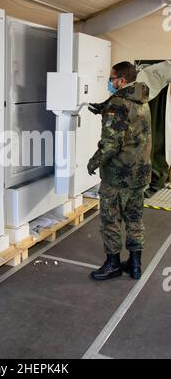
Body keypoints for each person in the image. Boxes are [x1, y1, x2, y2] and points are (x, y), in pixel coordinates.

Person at [87, 61, 152, 281]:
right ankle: (135, 265)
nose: (110, 82)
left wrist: (93, 162)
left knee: (111, 220)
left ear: (121, 81)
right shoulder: (142, 99)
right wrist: (104, 108)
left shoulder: (117, 104)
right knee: (134, 220)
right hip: (139, 175)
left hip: (117, 176)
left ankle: (113, 264)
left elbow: (110, 145)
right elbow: (130, 128)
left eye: (112, 78)